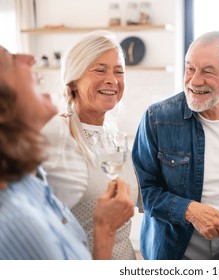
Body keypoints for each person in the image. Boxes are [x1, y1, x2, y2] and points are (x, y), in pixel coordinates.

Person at [132, 31, 219, 260]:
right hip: (174, 246)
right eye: (190, 68)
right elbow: (142, 193)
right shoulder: (157, 118)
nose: (194, 81)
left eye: (208, 71)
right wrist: (189, 210)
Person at [0, 46, 134, 259]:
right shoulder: (19, 223)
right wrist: (105, 230)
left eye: (119, 71)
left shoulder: (32, 183)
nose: (30, 57)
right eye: (9, 60)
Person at [40, 30, 139, 259]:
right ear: (73, 81)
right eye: (100, 69)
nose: (112, 80)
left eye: (119, 71)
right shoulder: (55, 135)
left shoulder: (113, 135)